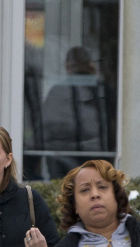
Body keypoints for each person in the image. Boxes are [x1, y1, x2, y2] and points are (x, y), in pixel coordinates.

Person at [41, 46, 111, 179]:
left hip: (62, 160)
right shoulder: (102, 90)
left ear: (67, 67)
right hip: (94, 159)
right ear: (90, 66)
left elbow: (46, 132)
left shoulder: (57, 91)